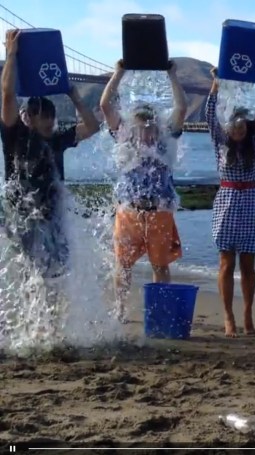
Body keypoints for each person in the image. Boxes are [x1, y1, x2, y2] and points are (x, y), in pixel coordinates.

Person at [0, 28, 100, 306]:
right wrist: (11, 55)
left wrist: (74, 96)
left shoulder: (57, 139)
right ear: (29, 117)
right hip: (23, 215)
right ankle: (36, 325)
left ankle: (52, 327)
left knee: (56, 274)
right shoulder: (14, 136)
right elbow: (7, 96)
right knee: (33, 274)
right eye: (43, 117)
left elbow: (92, 127)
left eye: (51, 117)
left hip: (53, 216)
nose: (49, 123)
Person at [99, 59, 188, 321]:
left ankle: (159, 312)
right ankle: (120, 310)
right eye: (140, 126)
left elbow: (181, 108)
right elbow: (105, 105)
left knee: (160, 265)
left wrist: (172, 75)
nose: (145, 131)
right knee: (122, 265)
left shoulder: (165, 141)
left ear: (156, 126)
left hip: (159, 211)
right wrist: (119, 73)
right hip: (129, 211)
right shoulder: (124, 139)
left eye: (149, 126)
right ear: (133, 126)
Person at [205, 67, 255, 337]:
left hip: (249, 203)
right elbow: (210, 115)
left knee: (248, 265)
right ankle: (228, 317)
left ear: (247, 128)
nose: (238, 130)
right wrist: (216, 82)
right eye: (234, 127)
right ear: (229, 128)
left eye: (242, 126)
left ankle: (246, 313)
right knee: (226, 263)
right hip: (226, 201)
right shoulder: (221, 143)